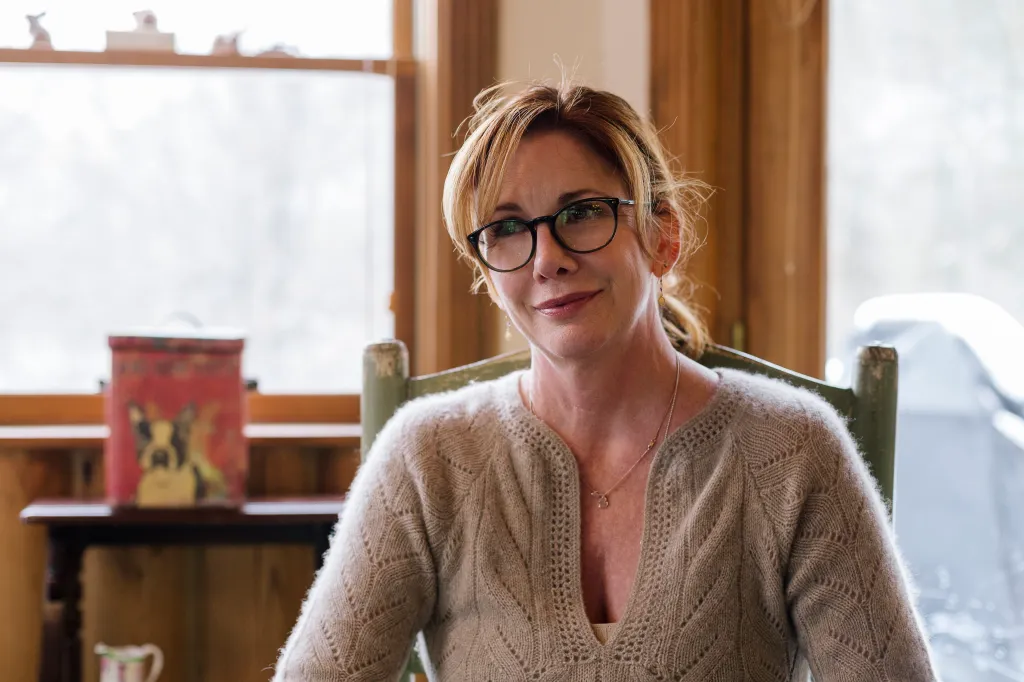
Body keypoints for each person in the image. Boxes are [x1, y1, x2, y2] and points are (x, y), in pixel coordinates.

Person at [273, 81, 938, 681]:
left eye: (581, 212)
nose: (549, 259)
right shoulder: (426, 457)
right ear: (489, 277)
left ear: (662, 237)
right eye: (507, 229)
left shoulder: (795, 452)